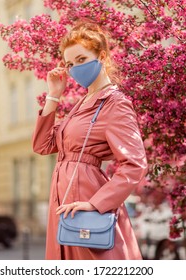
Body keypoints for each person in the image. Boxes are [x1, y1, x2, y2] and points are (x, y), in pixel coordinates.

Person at [32, 21, 148, 260]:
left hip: (87, 204)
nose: (74, 68)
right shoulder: (81, 103)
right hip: (63, 202)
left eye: (81, 60)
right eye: (70, 64)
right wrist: (53, 95)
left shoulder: (116, 103)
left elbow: (135, 163)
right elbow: (42, 145)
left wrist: (96, 204)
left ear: (102, 56)